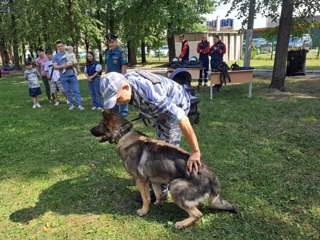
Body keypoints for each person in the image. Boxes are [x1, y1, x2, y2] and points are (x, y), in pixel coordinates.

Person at [100, 71, 202, 201]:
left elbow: (182, 119)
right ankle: (157, 182)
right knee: (159, 141)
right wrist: (146, 111)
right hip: (161, 107)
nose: (118, 103)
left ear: (126, 87)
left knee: (166, 150)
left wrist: (195, 151)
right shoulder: (126, 80)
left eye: (118, 99)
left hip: (177, 104)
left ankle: (162, 191)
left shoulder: (152, 97)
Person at [53, 40, 85, 111]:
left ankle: (79, 105)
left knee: (76, 90)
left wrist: (74, 66)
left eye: (61, 46)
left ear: (64, 46)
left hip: (72, 75)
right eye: (59, 46)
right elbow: (55, 67)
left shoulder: (70, 52)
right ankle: (71, 104)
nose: (60, 47)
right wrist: (64, 66)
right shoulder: (55, 56)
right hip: (63, 76)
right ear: (57, 47)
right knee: (67, 91)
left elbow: (76, 62)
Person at [105, 33, 128, 117]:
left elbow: (124, 65)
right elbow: (107, 65)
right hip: (110, 78)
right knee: (112, 95)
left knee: (121, 95)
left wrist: (123, 78)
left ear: (116, 42)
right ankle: (114, 112)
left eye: (113, 42)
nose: (111, 44)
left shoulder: (121, 53)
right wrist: (106, 77)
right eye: (110, 42)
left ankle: (123, 112)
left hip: (119, 78)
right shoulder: (108, 53)